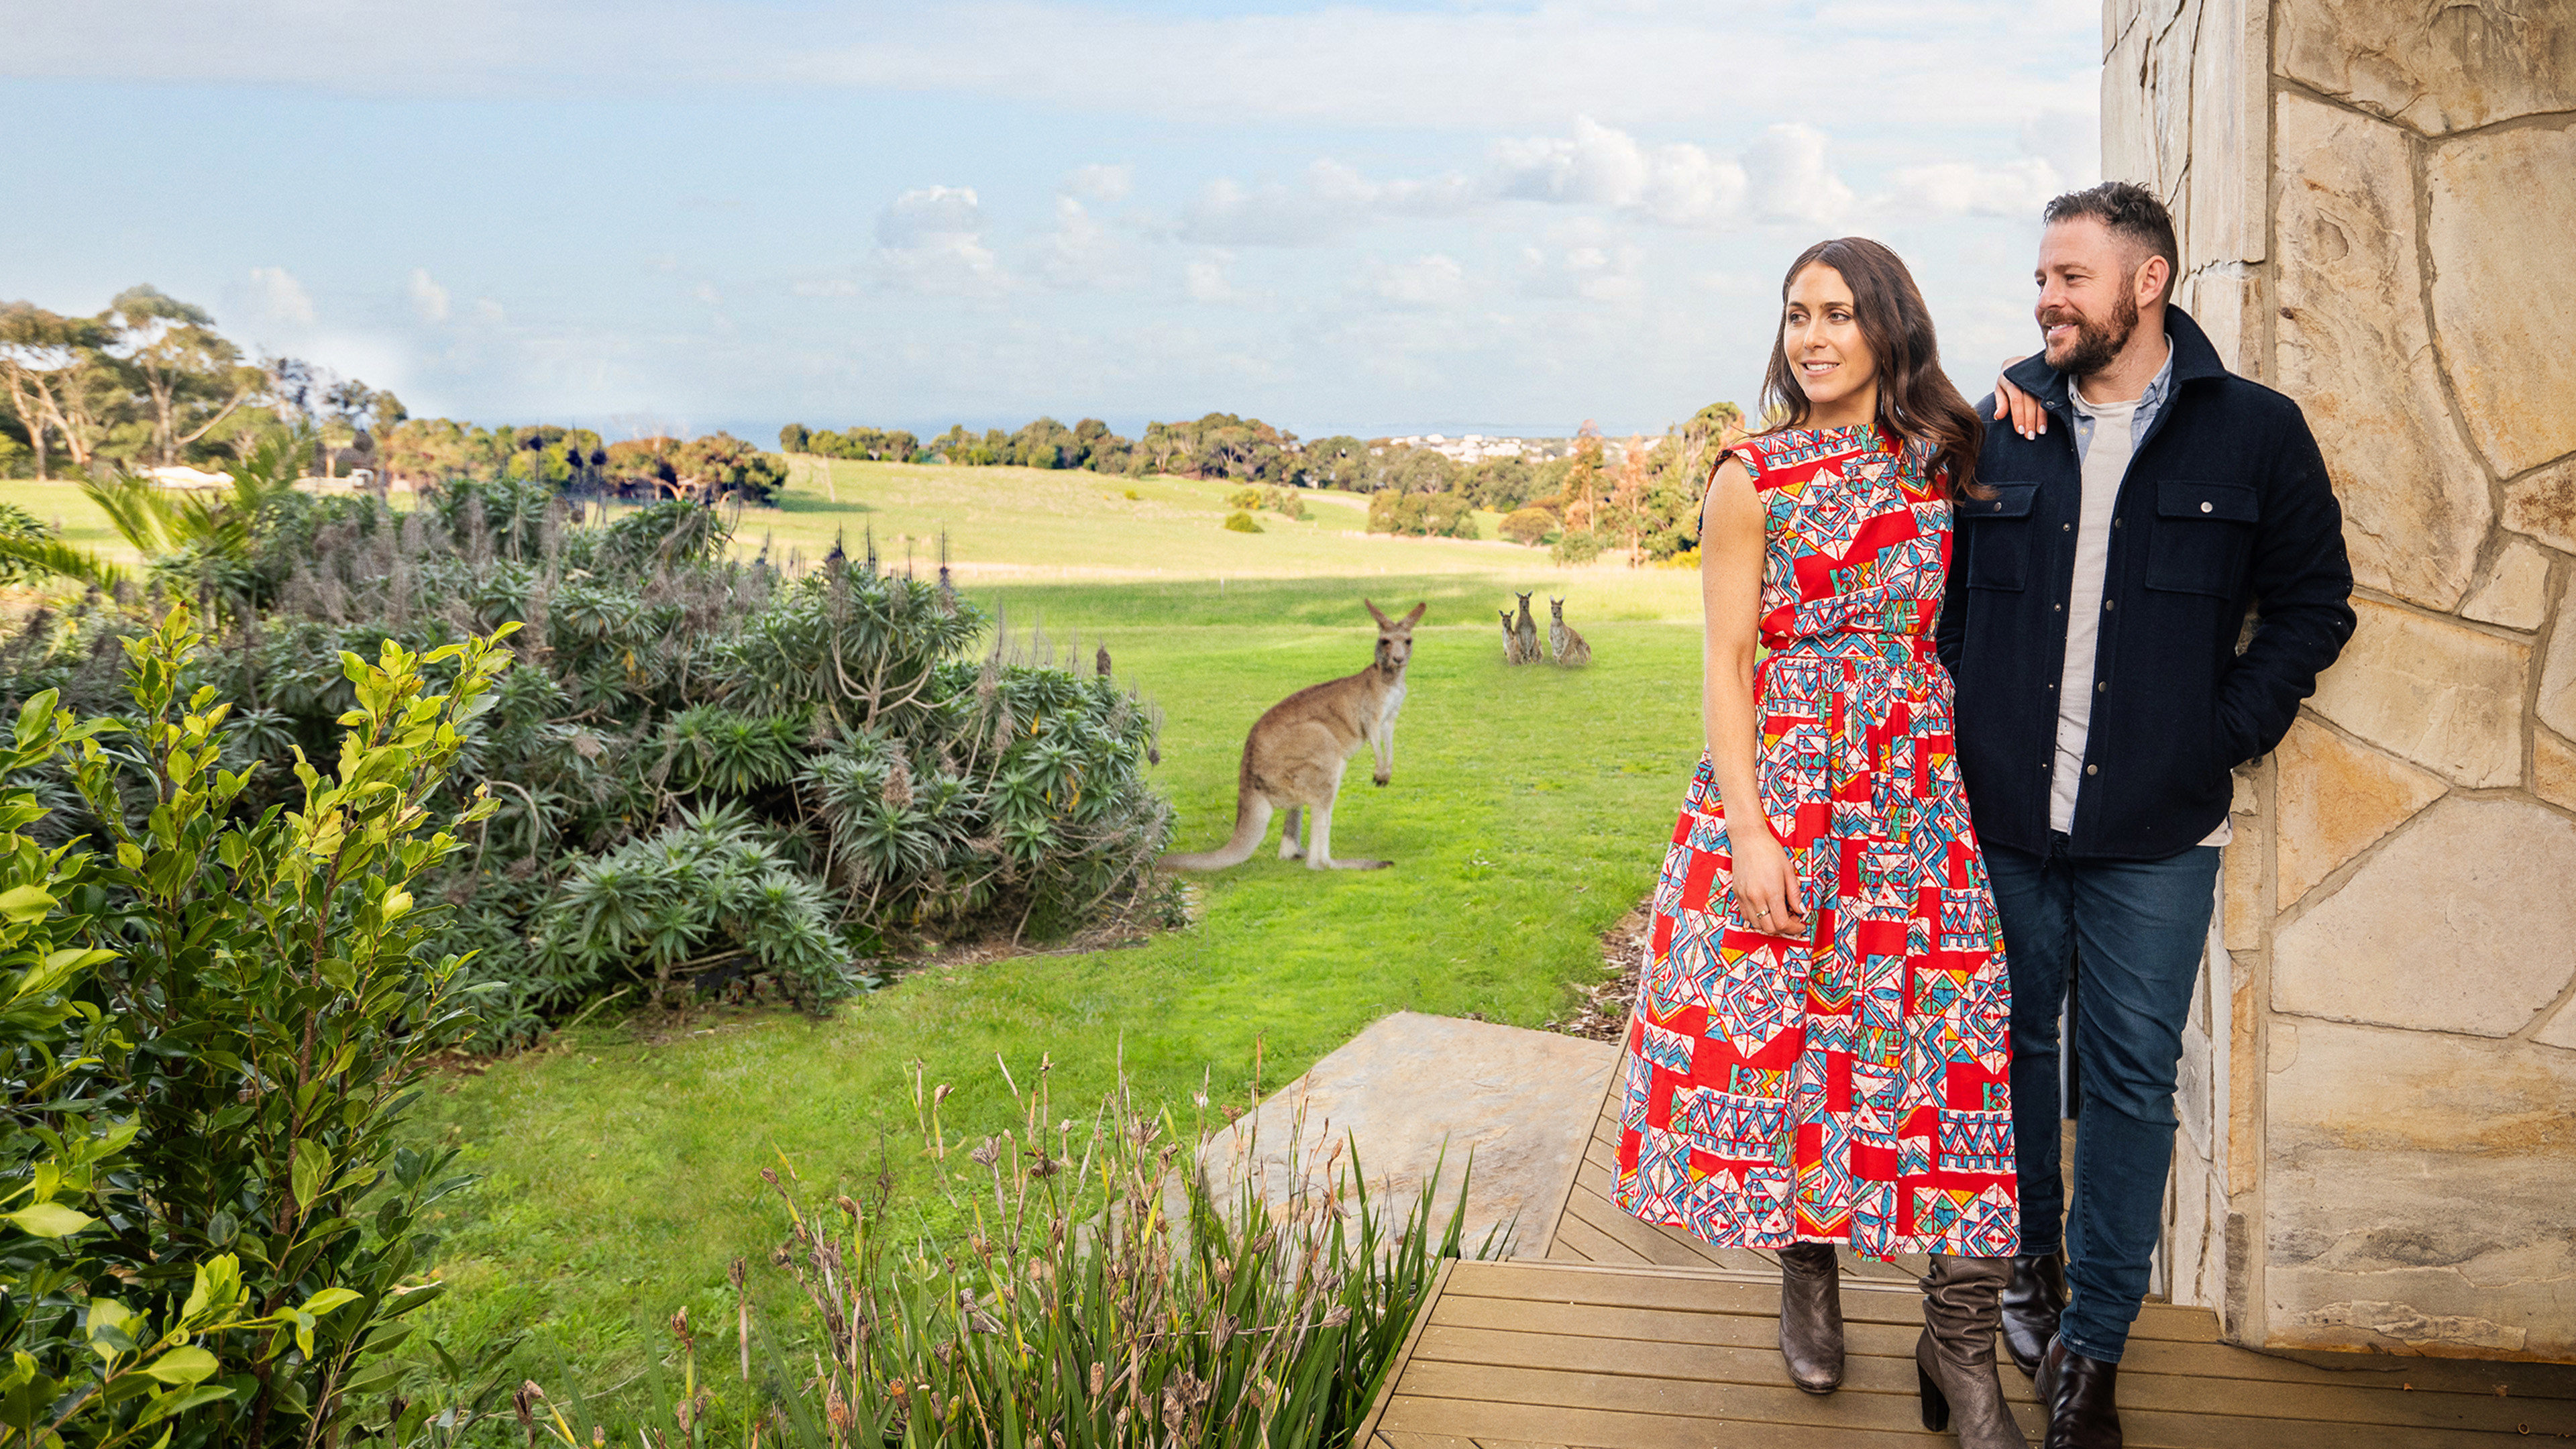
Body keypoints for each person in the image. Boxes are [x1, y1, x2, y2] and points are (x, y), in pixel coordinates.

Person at [1939, 182, 2355, 1448]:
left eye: (2070, 277)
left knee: (2130, 1080)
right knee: (2009, 1057)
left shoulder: (2257, 434)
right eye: (2041, 278)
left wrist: (2217, 735)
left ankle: (2093, 1353)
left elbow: (2315, 606)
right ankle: (2028, 1268)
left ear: (2149, 281)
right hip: (2002, 818)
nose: (2045, 300)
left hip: (2160, 832)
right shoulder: (1997, 426)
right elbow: (1928, 596)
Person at [1613, 237, 2022, 1449]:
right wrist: (1749, 832)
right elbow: (1726, 663)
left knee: (1952, 1041)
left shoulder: (1941, 454)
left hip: (1912, 793)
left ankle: (1960, 1348)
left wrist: (2034, 397)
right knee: (1797, 1035)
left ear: (1889, 325)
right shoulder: (1753, 475)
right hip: (1789, 786)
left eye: (1839, 314)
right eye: (1797, 315)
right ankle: (1808, 1258)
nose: (1813, 337)